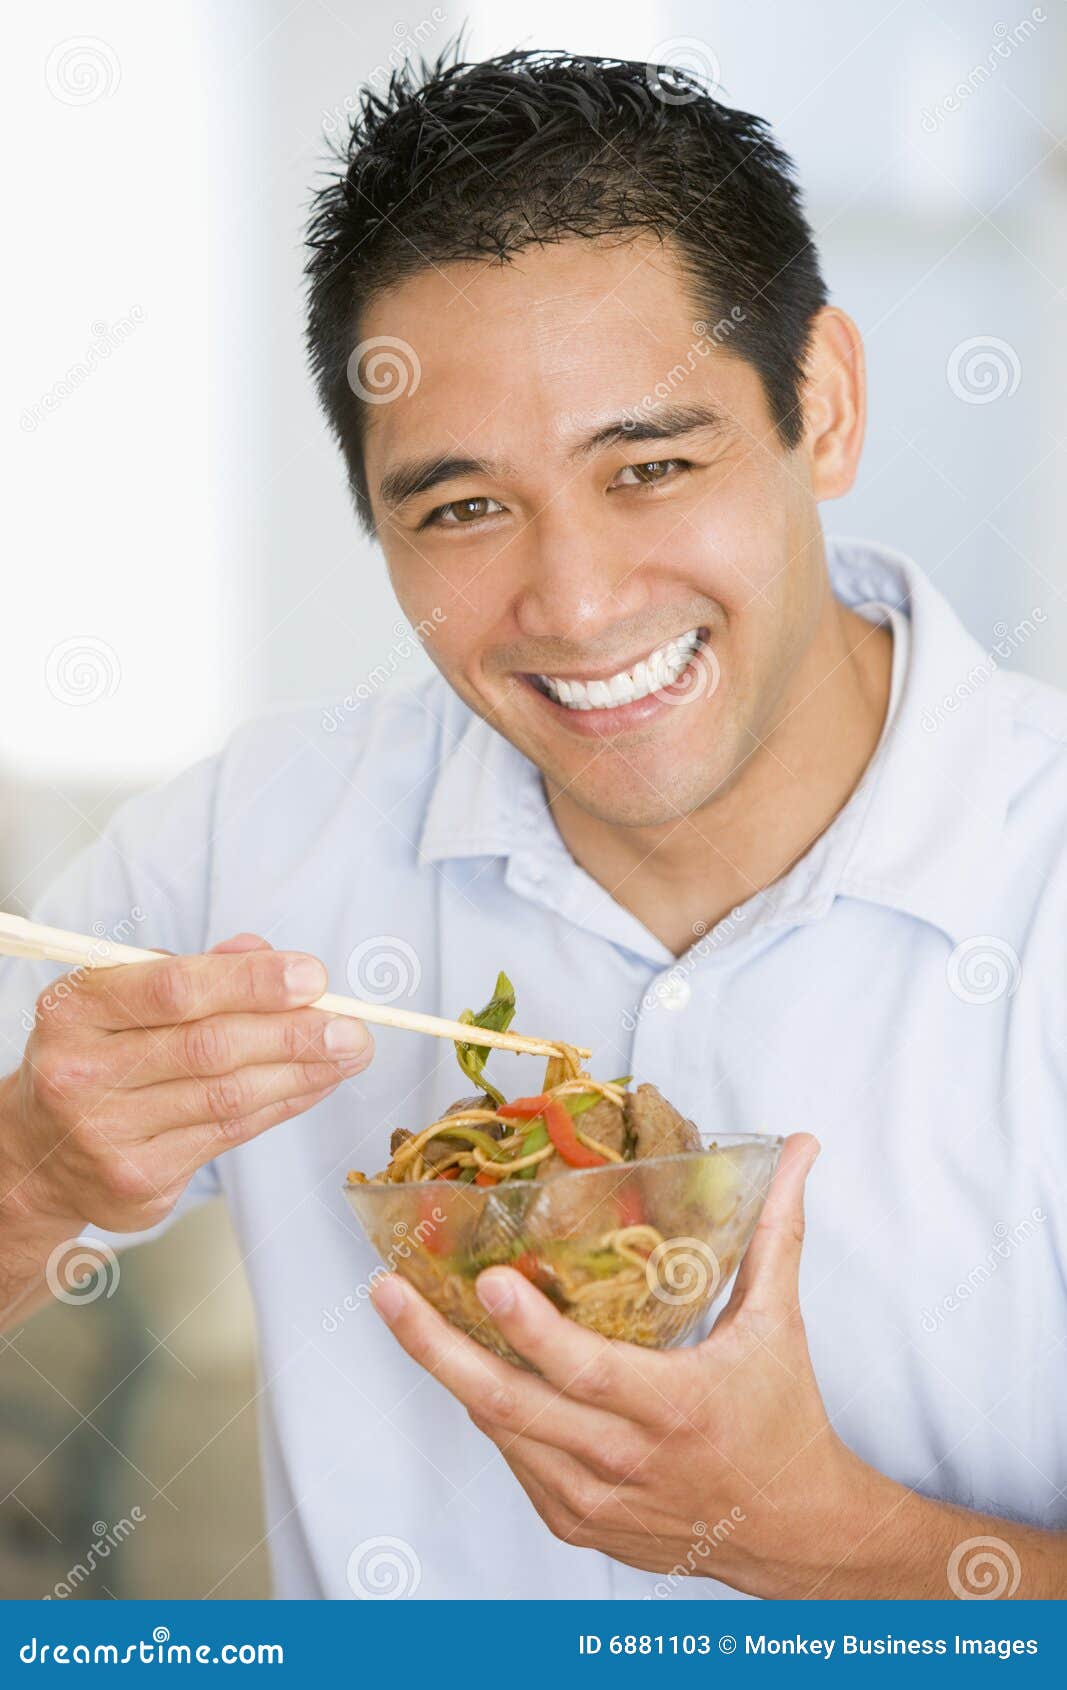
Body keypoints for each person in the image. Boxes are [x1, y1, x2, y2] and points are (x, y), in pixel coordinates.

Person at [2, 49, 1065, 1601]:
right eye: (461, 509)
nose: (573, 605)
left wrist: (847, 1543)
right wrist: (30, 1176)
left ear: (821, 405)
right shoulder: (249, 846)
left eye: (651, 466)